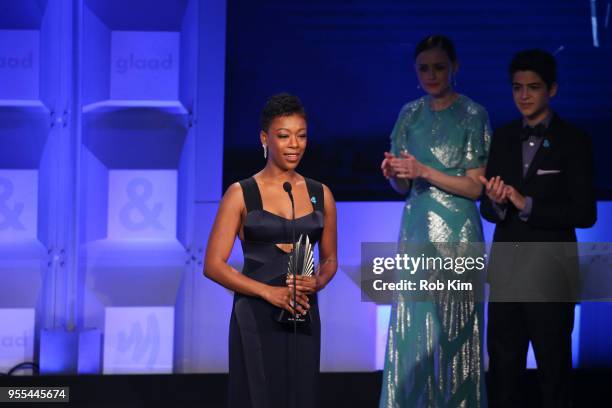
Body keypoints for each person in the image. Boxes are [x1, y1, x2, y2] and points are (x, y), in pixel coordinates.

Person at [203, 93, 338, 408]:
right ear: (265, 138)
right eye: (284, 135)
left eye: (301, 136)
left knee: (300, 395)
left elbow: (330, 258)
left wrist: (319, 281)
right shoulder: (241, 193)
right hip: (255, 314)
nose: (294, 144)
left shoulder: (321, 193)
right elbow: (213, 265)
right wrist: (268, 292)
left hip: (303, 313)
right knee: (259, 395)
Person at [479, 49, 596, 408]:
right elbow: (487, 206)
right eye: (517, 88)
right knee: (502, 371)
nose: (524, 96)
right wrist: (498, 201)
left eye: (533, 87)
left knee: (554, 371)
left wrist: (525, 203)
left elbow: (585, 213)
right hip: (507, 275)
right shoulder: (501, 137)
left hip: (551, 274)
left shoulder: (574, 141)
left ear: (553, 90)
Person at [379, 35, 491, 407]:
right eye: (424, 68)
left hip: (458, 233)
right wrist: (394, 173)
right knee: (414, 332)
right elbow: (402, 186)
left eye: (439, 66)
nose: (432, 74)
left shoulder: (474, 114)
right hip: (416, 232)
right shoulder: (409, 113)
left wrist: (424, 170)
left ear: (454, 67)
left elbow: (476, 188)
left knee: (457, 329)